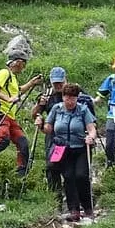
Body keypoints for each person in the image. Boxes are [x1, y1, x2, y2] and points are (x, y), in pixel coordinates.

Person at [43, 83, 99, 225]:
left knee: (81, 176)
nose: (70, 102)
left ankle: (87, 208)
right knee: (68, 177)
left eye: (73, 99)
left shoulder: (83, 110)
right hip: (62, 149)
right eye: (67, 98)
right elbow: (48, 129)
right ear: (63, 97)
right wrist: (40, 124)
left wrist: (91, 137)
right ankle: (73, 210)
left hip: (80, 147)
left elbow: (91, 128)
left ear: (77, 98)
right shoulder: (56, 110)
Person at [39, 66, 70, 203]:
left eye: (60, 83)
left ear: (65, 80)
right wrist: (40, 105)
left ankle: (72, 197)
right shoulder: (48, 95)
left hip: (70, 136)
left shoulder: (73, 92)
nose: (58, 86)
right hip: (53, 137)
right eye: (55, 83)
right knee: (52, 166)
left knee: (69, 166)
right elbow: (35, 113)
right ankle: (55, 196)